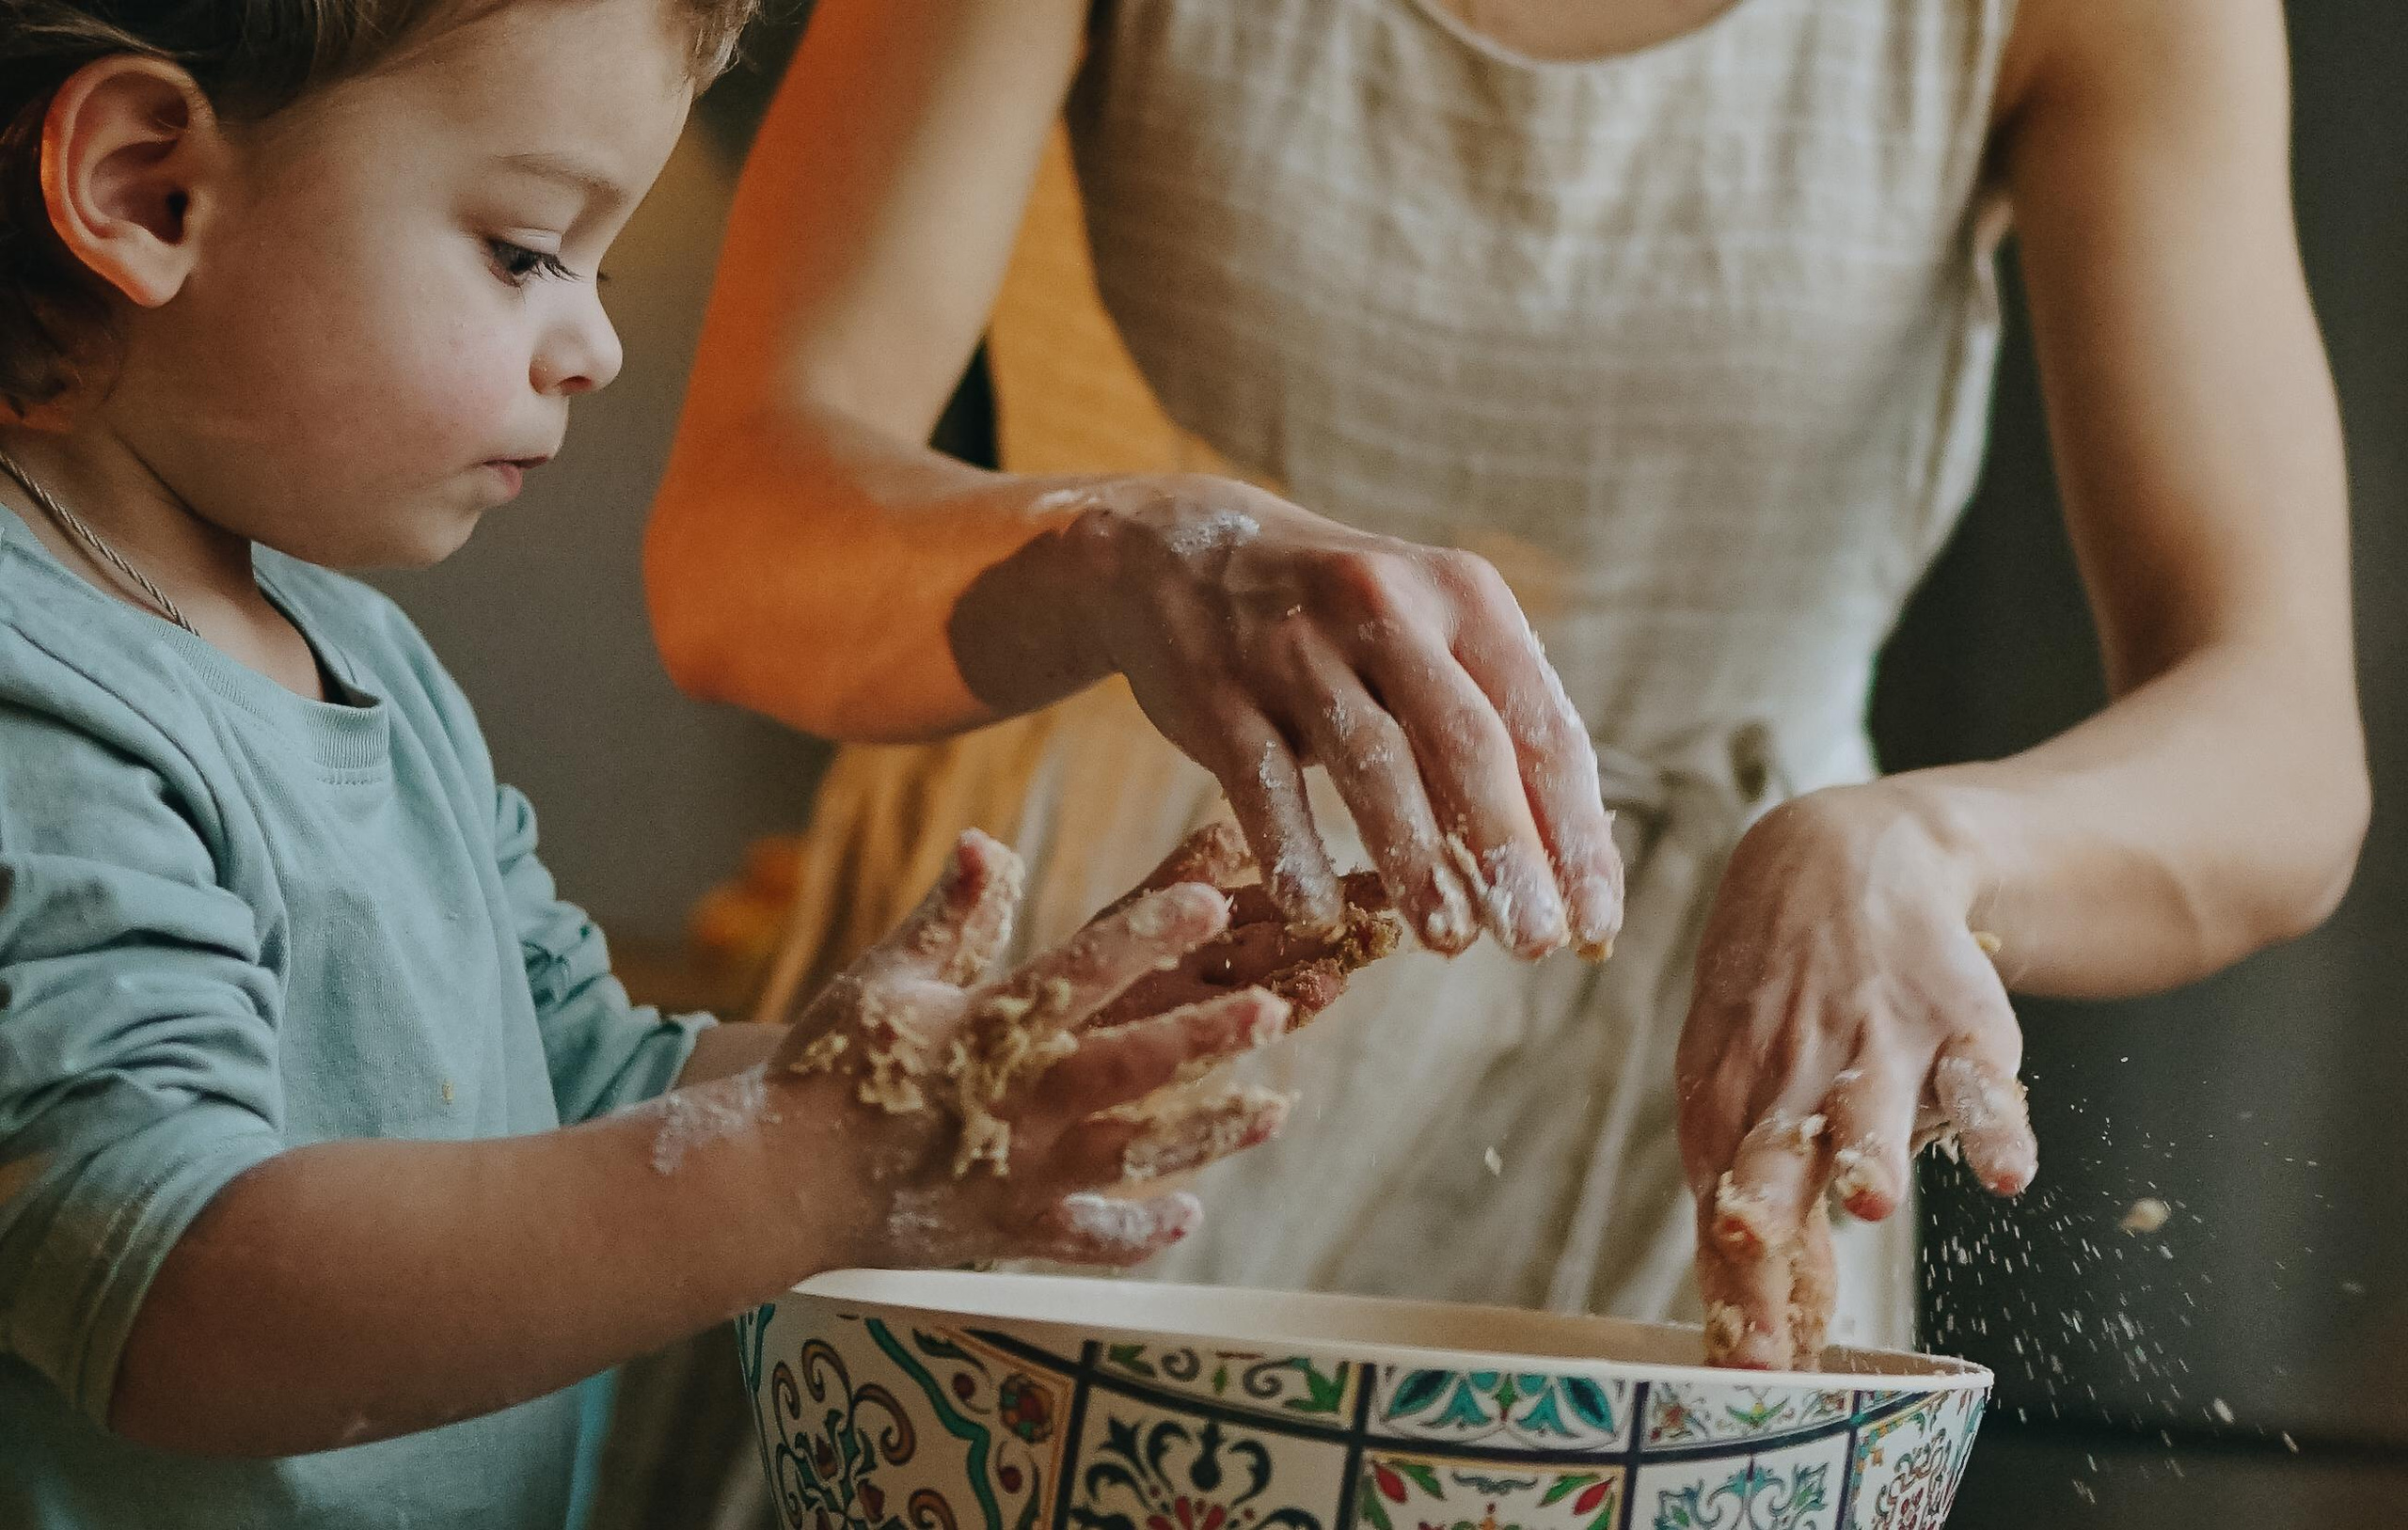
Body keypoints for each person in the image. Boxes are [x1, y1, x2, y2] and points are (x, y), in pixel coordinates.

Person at [647, 0, 2368, 1369]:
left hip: (1695, 1104)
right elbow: (732, 540)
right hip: (1109, 1025)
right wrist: (1115, 549)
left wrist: (1937, 850)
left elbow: (2283, 746)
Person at [0, 3, 1381, 1523]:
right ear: (147, 191)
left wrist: (987, 1067)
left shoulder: (356, 651)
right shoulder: (30, 692)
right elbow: (173, 1295)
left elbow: (581, 1094)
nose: (594, 343)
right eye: (525, 250)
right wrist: (811, 1169)